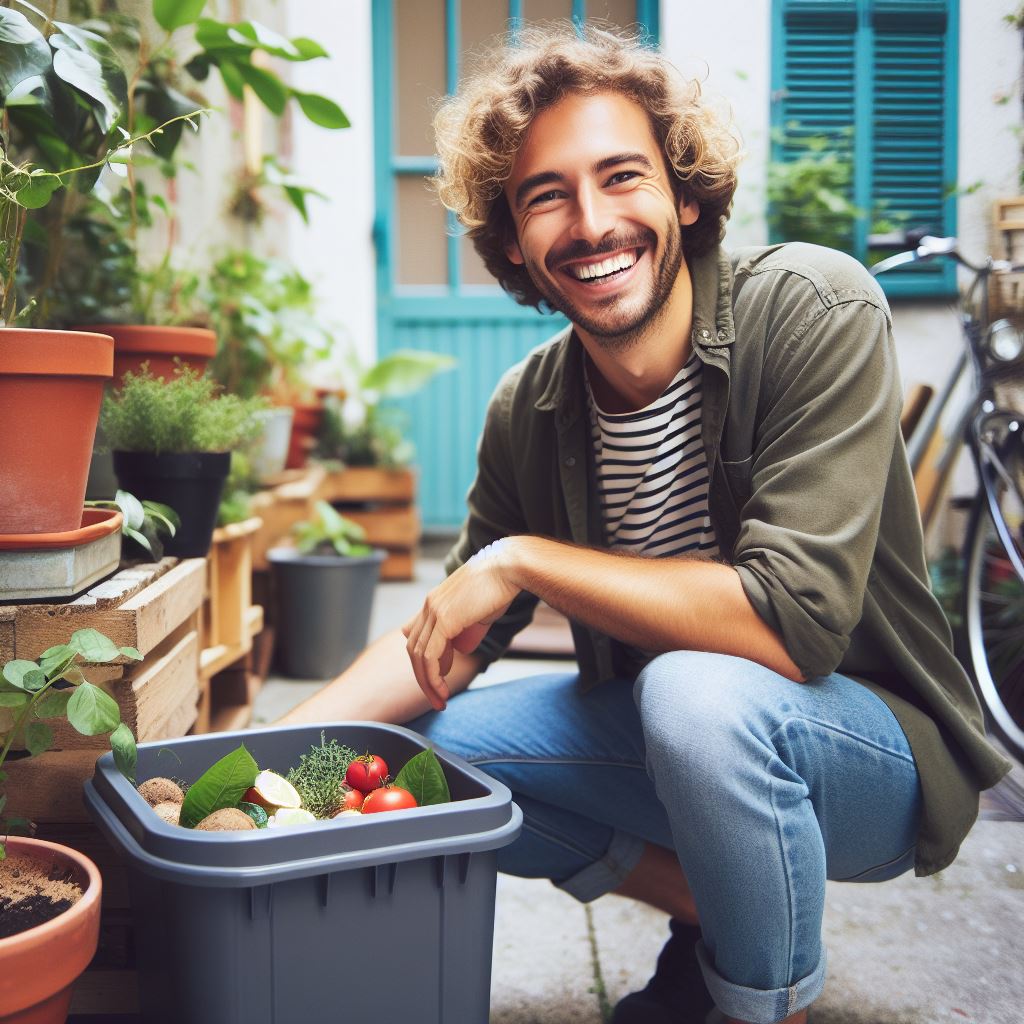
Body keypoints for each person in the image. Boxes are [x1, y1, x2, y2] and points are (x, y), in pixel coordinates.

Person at [280, 24, 1011, 1024]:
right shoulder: (527, 408)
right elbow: (440, 645)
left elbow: (789, 626)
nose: (590, 222)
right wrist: (285, 755)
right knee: (427, 759)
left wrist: (525, 557)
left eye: (621, 176)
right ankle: (720, 915)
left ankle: (765, 1003)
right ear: (512, 243)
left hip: (867, 753)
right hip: (680, 746)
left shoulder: (808, 307)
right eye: (546, 195)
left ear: (687, 194)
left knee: (696, 693)